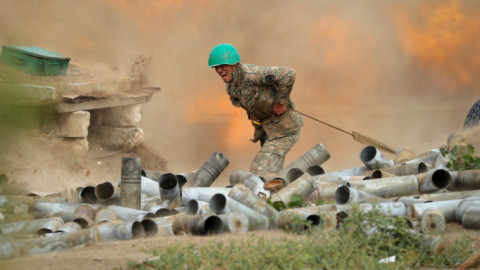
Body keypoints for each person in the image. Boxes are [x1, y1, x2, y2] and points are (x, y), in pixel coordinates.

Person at [208, 43, 303, 177]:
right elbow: (246, 101)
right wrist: (252, 113)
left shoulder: (252, 74)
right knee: (270, 172)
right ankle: (278, 194)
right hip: (268, 130)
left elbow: (288, 74)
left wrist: (279, 102)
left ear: (234, 64)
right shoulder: (231, 87)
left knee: (260, 169)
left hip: (285, 129)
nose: (219, 70)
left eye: (222, 66)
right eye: (216, 67)